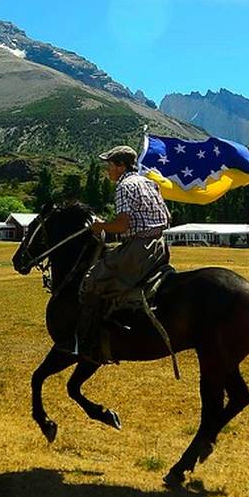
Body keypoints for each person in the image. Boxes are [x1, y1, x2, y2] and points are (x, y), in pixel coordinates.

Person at [72, 145, 172, 363]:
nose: (107, 169)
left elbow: (122, 225)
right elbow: (167, 216)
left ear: (121, 165)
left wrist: (101, 226)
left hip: (139, 249)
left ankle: (88, 344)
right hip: (160, 247)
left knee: (92, 280)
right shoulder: (150, 183)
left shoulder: (124, 186)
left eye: (109, 164)